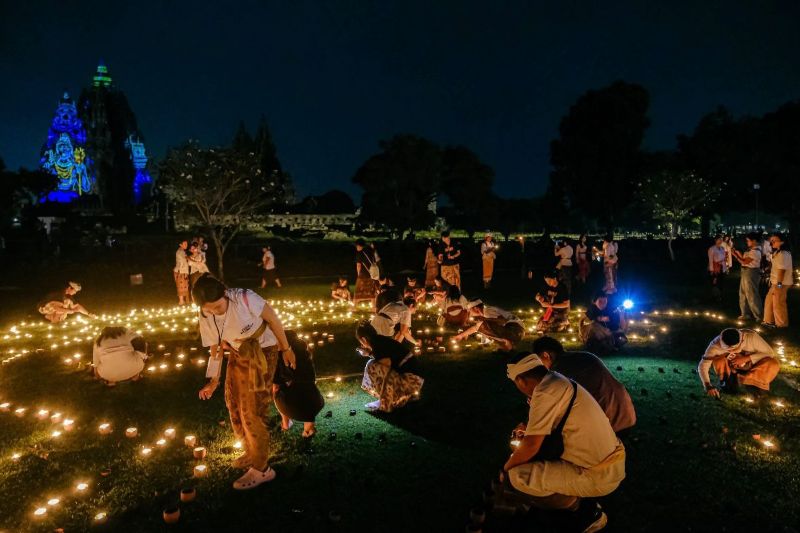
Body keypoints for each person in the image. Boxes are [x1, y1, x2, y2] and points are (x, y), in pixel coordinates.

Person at [499, 354, 625, 531]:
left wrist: (505, 470)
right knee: (527, 464)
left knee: (517, 476)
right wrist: (528, 430)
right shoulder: (556, 380)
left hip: (597, 474)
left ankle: (585, 512)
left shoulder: (545, 391)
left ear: (520, 380)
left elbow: (532, 445)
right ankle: (574, 502)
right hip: (609, 464)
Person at [194, 274, 296, 490]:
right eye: (209, 309)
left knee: (252, 409)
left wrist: (286, 348)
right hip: (238, 352)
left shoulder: (244, 298)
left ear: (225, 294)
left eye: (217, 307)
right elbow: (215, 348)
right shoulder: (206, 313)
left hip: (263, 351)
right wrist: (213, 380)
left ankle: (262, 469)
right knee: (233, 403)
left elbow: (273, 319)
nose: (214, 312)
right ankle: (250, 450)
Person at [531, 336, 636, 433]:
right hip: (627, 417)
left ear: (546, 355)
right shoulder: (585, 356)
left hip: (607, 426)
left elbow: (552, 408)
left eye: (538, 360)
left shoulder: (559, 371)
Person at [356, 321, 424, 412]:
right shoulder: (380, 341)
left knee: (372, 366)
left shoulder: (377, 345)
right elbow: (382, 359)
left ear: (364, 339)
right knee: (373, 363)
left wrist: (384, 401)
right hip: (415, 380)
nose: (362, 345)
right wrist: (368, 353)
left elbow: (386, 373)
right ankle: (405, 397)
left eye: (361, 342)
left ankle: (390, 400)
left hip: (411, 382)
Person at [699, 328, 780, 397]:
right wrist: (707, 385)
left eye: (734, 348)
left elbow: (770, 353)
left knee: (772, 363)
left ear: (741, 340)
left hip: (753, 364)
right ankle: (727, 381)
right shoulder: (715, 345)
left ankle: (753, 385)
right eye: (728, 349)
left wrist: (746, 358)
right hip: (731, 366)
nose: (731, 351)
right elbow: (703, 365)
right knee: (719, 359)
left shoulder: (751, 337)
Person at [273, 330, 324, 438]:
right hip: (315, 404)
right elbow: (313, 379)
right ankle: (307, 430)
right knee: (308, 396)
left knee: (277, 391)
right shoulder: (306, 357)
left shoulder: (279, 359)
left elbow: (275, 386)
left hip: (293, 409)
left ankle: (286, 424)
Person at [451, 300, 524, 351]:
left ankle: (508, 345)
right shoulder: (486, 312)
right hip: (517, 332)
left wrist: (485, 319)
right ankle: (506, 345)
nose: (470, 313)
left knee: (483, 326)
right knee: (482, 326)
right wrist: (460, 336)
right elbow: (475, 328)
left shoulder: (487, 312)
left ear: (476, 308)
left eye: (470, 310)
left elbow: (503, 321)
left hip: (515, 330)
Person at [579, 291, 627, 355]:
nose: (603, 304)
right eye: (600, 302)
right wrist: (581, 332)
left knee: (622, 340)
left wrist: (621, 315)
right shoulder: (592, 309)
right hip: (598, 335)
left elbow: (622, 328)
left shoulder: (612, 310)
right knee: (593, 326)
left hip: (611, 332)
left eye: (605, 301)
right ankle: (607, 346)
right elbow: (582, 319)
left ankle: (609, 345)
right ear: (594, 302)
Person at [731, 232, 763, 322]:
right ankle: (745, 314)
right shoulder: (751, 250)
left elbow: (745, 262)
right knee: (743, 293)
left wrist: (736, 256)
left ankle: (759, 315)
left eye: (748, 241)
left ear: (754, 241)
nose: (747, 242)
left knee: (752, 294)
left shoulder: (756, 251)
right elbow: (744, 260)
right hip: (745, 271)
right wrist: (737, 253)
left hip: (751, 272)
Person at [763, 232, 792, 328]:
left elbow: (782, 271)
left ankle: (781, 324)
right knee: (769, 301)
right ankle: (768, 321)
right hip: (775, 282)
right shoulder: (777, 253)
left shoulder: (784, 254)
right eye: (771, 241)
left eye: (774, 241)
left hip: (781, 283)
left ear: (782, 242)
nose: (772, 243)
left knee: (778, 303)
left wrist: (779, 284)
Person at [354, 239, 379, 304]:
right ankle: (373, 307)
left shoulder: (360, 253)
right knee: (371, 290)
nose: (356, 248)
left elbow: (358, 265)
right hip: (372, 274)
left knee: (358, 290)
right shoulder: (371, 251)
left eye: (356, 246)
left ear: (359, 246)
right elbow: (377, 260)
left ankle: (354, 307)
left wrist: (358, 275)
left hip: (363, 275)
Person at [707, 236, 728, 303]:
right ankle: (715, 296)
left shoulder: (722, 248)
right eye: (719, 240)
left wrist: (725, 267)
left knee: (721, 282)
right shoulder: (712, 249)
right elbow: (710, 260)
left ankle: (720, 296)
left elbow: (724, 258)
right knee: (715, 283)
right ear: (715, 240)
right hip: (715, 268)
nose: (720, 241)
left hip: (722, 267)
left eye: (721, 240)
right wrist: (712, 270)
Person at [173, 240, 190, 305]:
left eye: (187, 244)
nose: (186, 245)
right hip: (180, 271)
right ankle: (181, 301)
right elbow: (185, 259)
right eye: (185, 244)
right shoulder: (179, 252)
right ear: (180, 244)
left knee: (184, 286)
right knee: (181, 286)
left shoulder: (182, 251)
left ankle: (183, 301)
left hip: (183, 271)